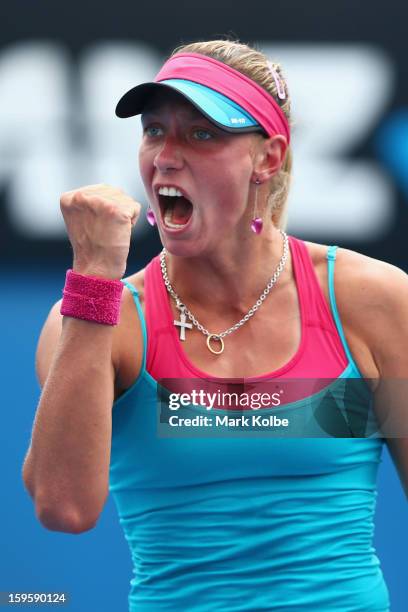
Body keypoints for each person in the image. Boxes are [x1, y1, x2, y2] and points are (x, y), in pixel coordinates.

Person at [22, 39, 407, 611]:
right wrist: (94, 277)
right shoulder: (102, 319)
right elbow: (64, 508)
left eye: (203, 134)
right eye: (155, 130)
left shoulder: (370, 300)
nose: (167, 156)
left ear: (268, 158)